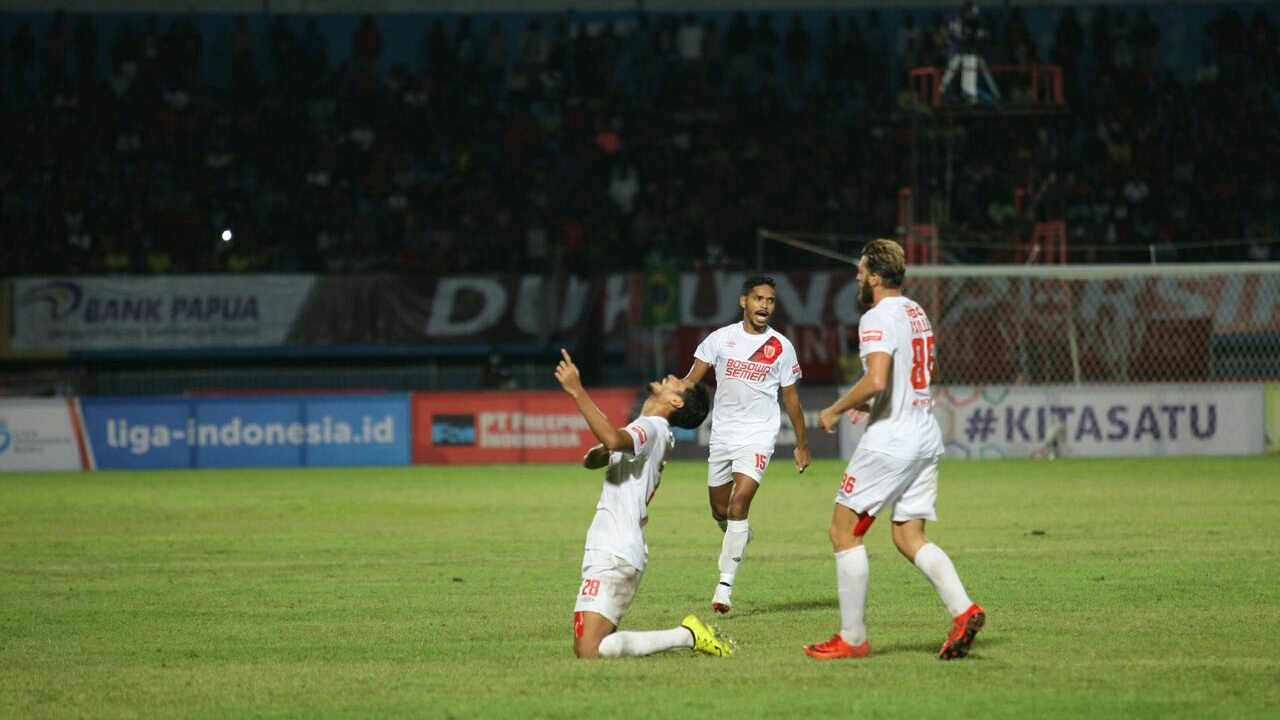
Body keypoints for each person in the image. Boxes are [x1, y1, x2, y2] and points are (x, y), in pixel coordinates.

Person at [804, 238, 985, 661]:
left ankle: (853, 638)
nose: (857, 276)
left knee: (843, 532)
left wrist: (835, 408)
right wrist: (876, 403)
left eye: (861, 269)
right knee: (908, 535)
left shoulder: (877, 316)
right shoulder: (915, 311)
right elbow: (920, 371)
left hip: (892, 442)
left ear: (874, 277)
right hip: (925, 435)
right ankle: (964, 610)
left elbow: (878, 379)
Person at [555, 349, 731, 659]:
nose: (673, 377)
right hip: (616, 545)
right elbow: (596, 457)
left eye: (680, 383)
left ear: (675, 402)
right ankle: (686, 635)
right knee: (592, 647)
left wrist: (577, 391)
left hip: (615, 548)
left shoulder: (651, 428)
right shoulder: (652, 429)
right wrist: (606, 448)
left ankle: (687, 636)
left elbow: (612, 441)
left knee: (589, 650)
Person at [682, 276, 811, 614]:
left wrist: (802, 443)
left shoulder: (781, 346)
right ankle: (739, 534)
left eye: (770, 300)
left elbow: (792, 400)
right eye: (758, 299)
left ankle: (724, 587)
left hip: (758, 436)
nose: (764, 305)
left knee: (738, 505)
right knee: (720, 511)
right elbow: (690, 381)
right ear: (744, 302)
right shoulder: (720, 339)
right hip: (723, 435)